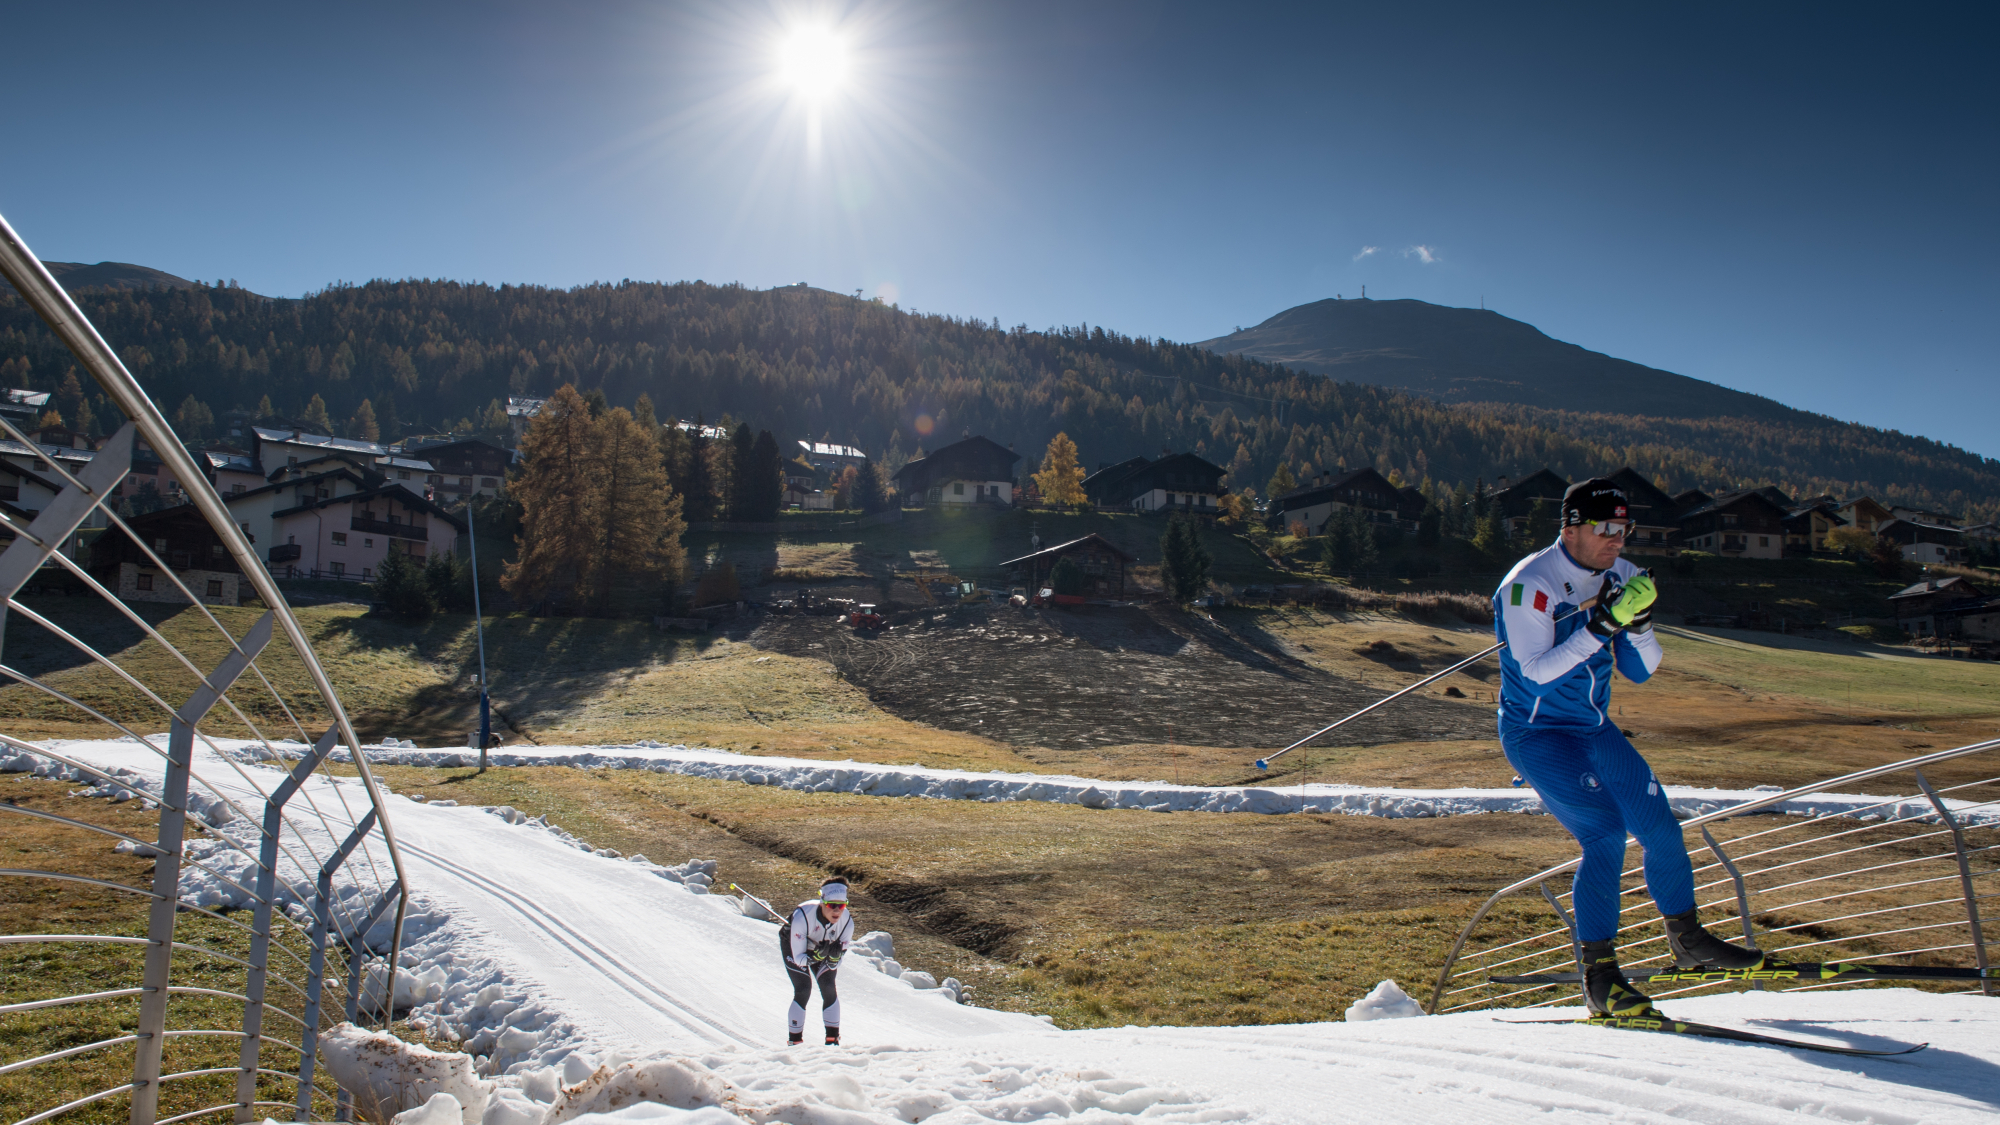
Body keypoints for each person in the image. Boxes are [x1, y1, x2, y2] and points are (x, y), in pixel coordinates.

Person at [1492, 477, 1760, 1018]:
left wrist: (1635, 625)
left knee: (1661, 826)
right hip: (1538, 732)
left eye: (1625, 528)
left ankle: (1688, 939)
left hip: (1593, 727)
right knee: (1606, 834)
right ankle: (1600, 978)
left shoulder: (1626, 575)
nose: (1618, 539)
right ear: (1570, 527)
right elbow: (1537, 675)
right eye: (1606, 528)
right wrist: (1601, 624)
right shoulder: (1530, 585)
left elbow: (1641, 670)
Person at [780, 877, 854, 1045]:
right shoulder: (802, 916)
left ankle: (832, 1039)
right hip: (794, 945)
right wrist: (816, 957)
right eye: (831, 905)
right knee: (803, 988)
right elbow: (799, 959)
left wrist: (834, 958)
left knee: (828, 986)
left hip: (820, 949)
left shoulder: (847, 923)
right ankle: (795, 1042)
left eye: (841, 905)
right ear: (822, 902)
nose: (836, 911)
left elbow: (838, 961)